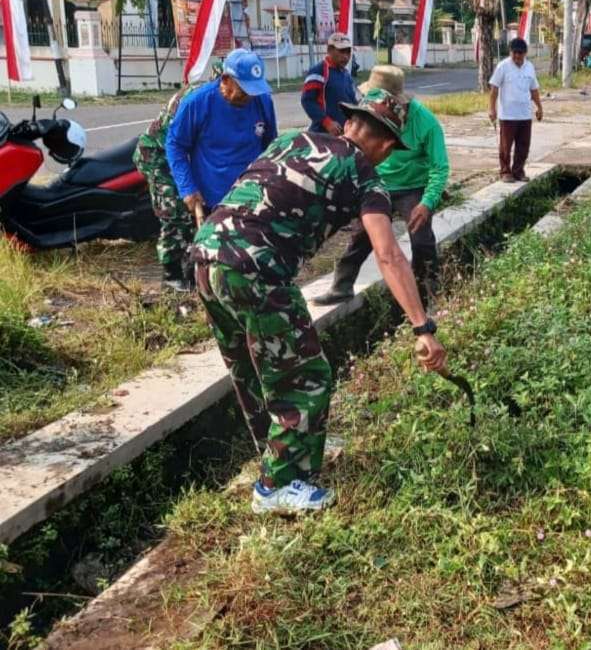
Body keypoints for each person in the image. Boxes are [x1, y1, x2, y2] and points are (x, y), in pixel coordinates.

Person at [191, 86, 447, 514]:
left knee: (252, 368)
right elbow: (388, 253)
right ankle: (279, 486)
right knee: (306, 374)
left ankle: (276, 455)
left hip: (205, 256)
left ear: (349, 124)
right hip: (257, 269)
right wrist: (422, 327)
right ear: (386, 145)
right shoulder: (367, 177)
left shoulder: (290, 139)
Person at [314, 66, 449, 308]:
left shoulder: (426, 123)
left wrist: (427, 203)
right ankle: (341, 286)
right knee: (360, 237)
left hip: (412, 188)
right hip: (376, 184)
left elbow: (439, 169)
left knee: (422, 240)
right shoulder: (365, 117)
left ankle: (428, 295)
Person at [166, 49, 277, 219]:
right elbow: (175, 145)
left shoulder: (263, 101)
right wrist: (187, 187)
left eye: (254, 91)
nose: (249, 97)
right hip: (214, 197)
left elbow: (271, 146)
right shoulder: (197, 103)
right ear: (226, 80)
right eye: (244, 91)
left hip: (252, 194)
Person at [134, 69, 218, 291]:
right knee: (176, 214)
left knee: (199, 210)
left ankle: (192, 268)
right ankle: (170, 274)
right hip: (158, 155)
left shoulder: (220, 101)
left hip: (185, 157)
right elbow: (176, 144)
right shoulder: (194, 99)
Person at [488, 37, 543, 183]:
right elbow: (494, 89)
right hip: (508, 115)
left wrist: (539, 107)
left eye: (520, 53)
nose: (517, 56)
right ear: (510, 52)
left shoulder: (529, 67)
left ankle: (518, 171)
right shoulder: (503, 66)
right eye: (515, 53)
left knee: (523, 146)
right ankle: (505, 171)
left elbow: (534, 90)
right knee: (506, 146)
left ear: (525, 53)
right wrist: (492, 109)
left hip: (525, 114)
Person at [301, 32, 358, 136]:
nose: (345, 56)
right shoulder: (319, 71)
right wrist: (327, 122)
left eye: (348, 52)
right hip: (322, 133)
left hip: (344, 133)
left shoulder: (346, 74)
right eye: (341, 51)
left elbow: (352, 102)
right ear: (329, 50)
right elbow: (307, 101)